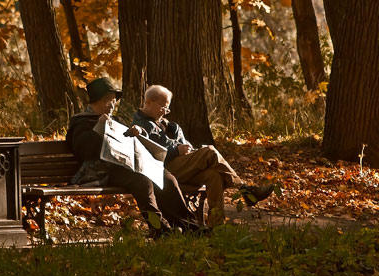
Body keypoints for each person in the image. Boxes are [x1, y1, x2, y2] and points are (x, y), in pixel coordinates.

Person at [66, 77, 199, 237]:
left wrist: (138, 132)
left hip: (126, 164)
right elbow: (85, 152)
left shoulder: (116, 120)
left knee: (166, 177)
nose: (112, 105)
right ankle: (159, 228)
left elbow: (130, 142)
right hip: (102, 172)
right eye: (108, 101)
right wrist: (99, 128)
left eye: (114, 101)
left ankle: (189, 225)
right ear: (96, 101)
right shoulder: (81, 123)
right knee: (142, 180)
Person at [129, 84, 274, 227]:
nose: (165, 112)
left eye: (167, 108)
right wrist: (176, 151)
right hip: (164, 170)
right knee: (210, 151)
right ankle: (245, 189)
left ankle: (216, 225)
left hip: (182, 165)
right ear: (149, 102)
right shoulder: (140, 125)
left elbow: (183, 143)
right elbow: (148, 155)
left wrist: (187, 148)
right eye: (162, 107)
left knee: (213, 176)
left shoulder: (166, 124)